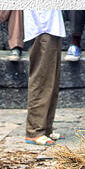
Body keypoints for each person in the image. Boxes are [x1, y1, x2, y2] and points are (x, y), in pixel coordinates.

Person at [23, 9, 65, 146]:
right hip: (42, 26)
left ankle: (46, 128)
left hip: (52, 26)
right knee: (41, 80)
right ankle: (35, 131)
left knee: (52, 81)